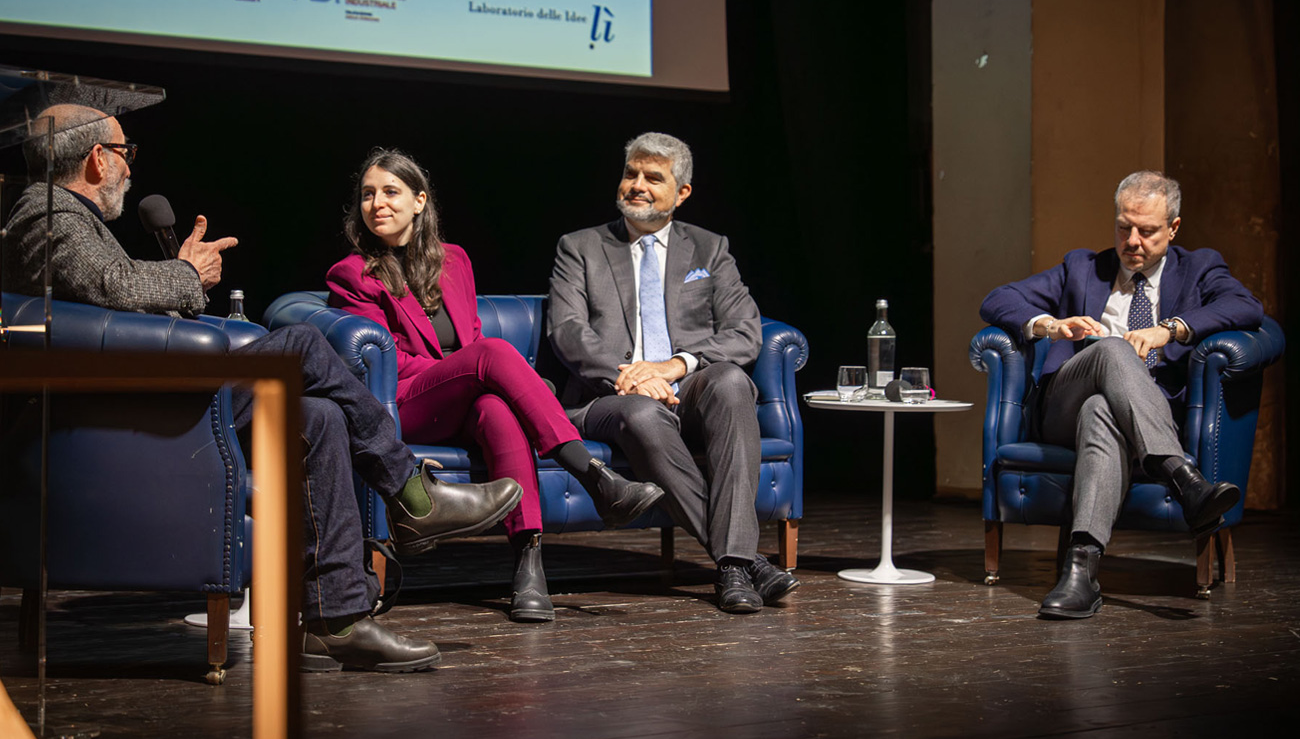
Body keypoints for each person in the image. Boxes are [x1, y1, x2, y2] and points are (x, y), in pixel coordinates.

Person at [6, 104, 525, 672]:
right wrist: (188, 274)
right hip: (131, 406)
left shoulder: (70, 220)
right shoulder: (48, 214)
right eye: (127, 153)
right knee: (301, 343)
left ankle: (337, 621)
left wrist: (179, 278)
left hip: (152, 393)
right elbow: (114, 287)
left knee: (318, 418)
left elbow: (110, 297)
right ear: (98, 159)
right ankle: (411, 494)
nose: (132, 169)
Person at [325, 149, 664, 623]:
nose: (377, 203)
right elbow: (387, 364)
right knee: (495, 357)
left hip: (461, 399)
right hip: (406, 401)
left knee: (497, 410)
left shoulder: (455, 262)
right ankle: (595, 478)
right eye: (367, 194)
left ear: (420, 201)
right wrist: (460, 368)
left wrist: (470, 371)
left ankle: (529, 567)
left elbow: (471, 340)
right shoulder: (353, 275)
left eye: (390, 191)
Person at [980, 170, 1264, 619]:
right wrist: (1051, 325)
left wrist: (1169, 330)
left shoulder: (1200, 268)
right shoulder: (1082, 267)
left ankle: (1081, 572)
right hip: (1062, 407)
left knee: (1102, 411)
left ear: (1173, 228)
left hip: (1141, 418)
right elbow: (999, 298)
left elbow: (1247, 307)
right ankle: (1184, 480)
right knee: (1111, 351)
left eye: (1147, 231)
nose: (1132, 240)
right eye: (1123, 227)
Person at [546, 131, 800, 614]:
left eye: (653, 178)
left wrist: (674, 365)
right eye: (630, 173)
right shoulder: (579, 247)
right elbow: (570, 331)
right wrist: (633, 375)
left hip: (686, 389)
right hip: (611, 395)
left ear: (681, 192)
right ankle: (742, 565)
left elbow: (746, 332)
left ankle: (733, 564)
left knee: (729, 381)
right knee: (642, 413)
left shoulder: (709, 250)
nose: (636, 185)